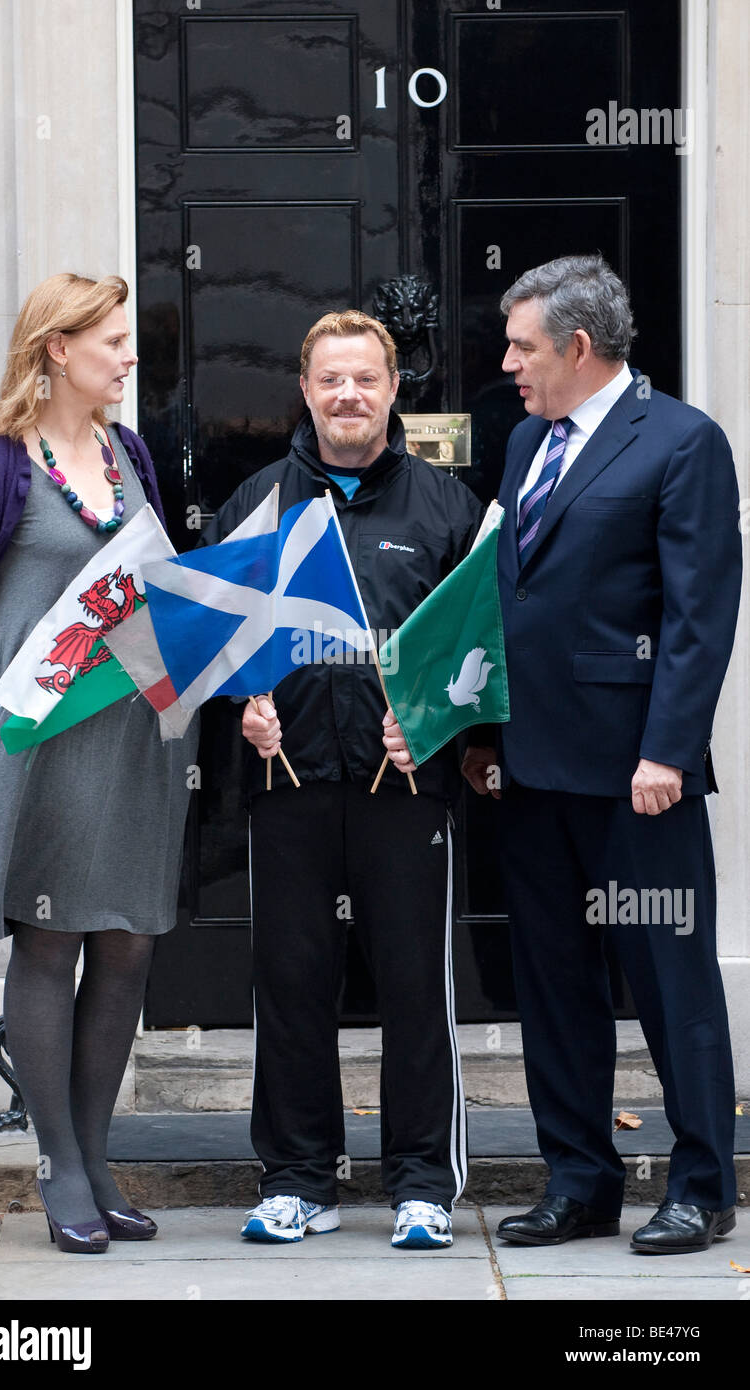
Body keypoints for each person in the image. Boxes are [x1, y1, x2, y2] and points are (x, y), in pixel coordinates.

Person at [462, 254, 742, 1254]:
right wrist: (489, 736)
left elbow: (698, 618)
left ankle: (704, 1185)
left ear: (578, 348)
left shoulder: (681, 443)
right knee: (554, 985)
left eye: (522, 346)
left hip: (638, 782)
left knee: (670, 981)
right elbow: (510, 602)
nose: (508, 364)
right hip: (535, 774)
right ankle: (580, 1180)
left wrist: (668, 750)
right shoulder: (527, 442)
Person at [201, 310, 482, 1249]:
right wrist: (241, 708)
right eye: (331, 380)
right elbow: (211, 647)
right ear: (306, 389)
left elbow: (484, 650)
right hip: (288, 785)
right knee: (290, 984)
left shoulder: (448, 508)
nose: (348, 395)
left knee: (413, 987)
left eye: (366, 378)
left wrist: (435, 725)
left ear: (394, 389)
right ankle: (296, 1178)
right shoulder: (257, 503)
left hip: (405, 790)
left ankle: (421, 1184)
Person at [0, 273, 197, 1253]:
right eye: (114, 342)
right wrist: (15, 709)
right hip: (41, 747)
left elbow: (156, 583)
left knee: (127, 942)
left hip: (137, 742)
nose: (130, 357)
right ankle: (55, 1168)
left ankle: (96, 1159)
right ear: (56, 348)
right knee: (48, 945)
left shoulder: (131, 453)